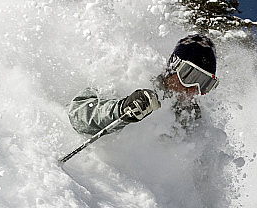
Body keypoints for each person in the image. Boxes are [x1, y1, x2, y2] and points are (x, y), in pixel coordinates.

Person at [68, 34, 218, 136]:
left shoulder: (194, 118)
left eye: (205, 84)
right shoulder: (134, 77)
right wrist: (120, 109)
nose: (194, 90)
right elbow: (77, 114)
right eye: (191, 75)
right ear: (174, 66)